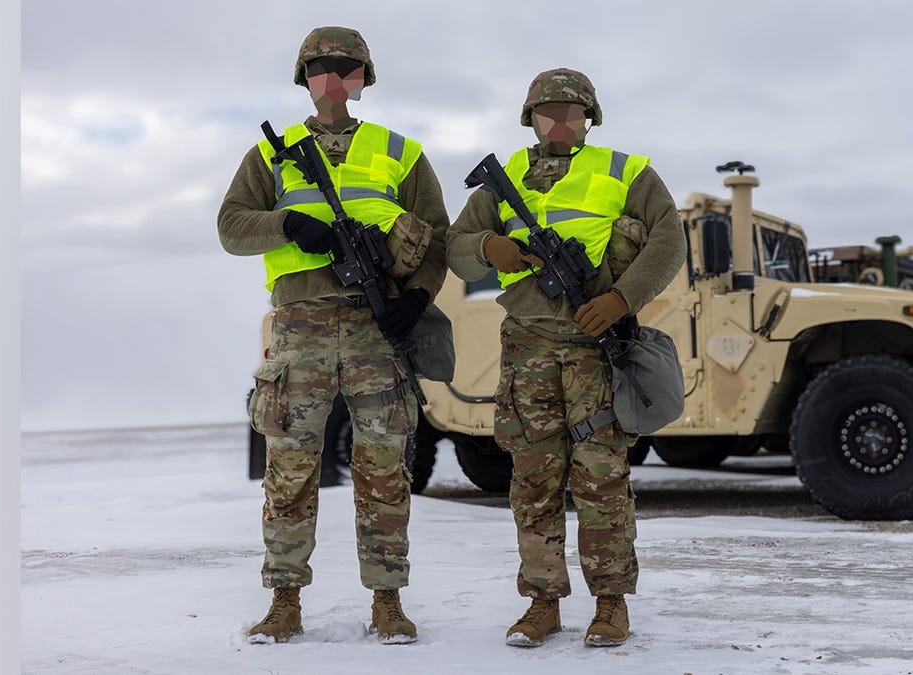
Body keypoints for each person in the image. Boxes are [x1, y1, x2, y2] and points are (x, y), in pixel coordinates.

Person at [217, 26, 448, 645]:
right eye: (322, 68)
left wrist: (418, 298)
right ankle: (284, 601)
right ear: (305, 79)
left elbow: (438, 237)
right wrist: (290, 224)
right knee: (289, 467)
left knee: (385, 468)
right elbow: (231, 226)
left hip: (378, 324)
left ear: (363, 79)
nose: (334, 79)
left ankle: (388, 602)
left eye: (348, 69)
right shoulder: (272, 153)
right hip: (301, 326)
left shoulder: (400, 151)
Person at [447, 68, 686, 648]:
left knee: (602, 477)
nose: (559, 122)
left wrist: (621, 299)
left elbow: (669, 239)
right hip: (527, 345)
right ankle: (542, 604)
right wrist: (489, 247)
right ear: (530, 118)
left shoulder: (626, 171)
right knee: (532, 479)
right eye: (547, 112)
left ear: (589, 119)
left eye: (571, 112)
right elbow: (455, 249)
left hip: (597, 346)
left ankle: (610, 605)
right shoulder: (503, 180)